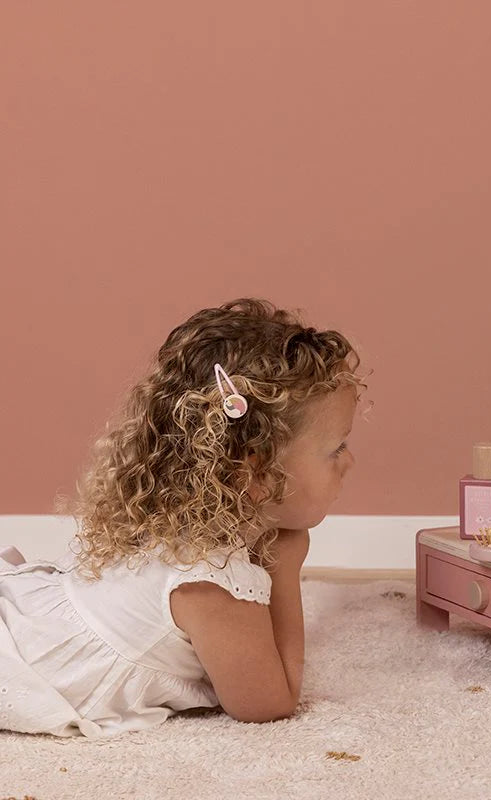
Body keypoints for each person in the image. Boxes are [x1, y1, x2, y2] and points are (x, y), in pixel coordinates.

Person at [0, 298, 368, 738]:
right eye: (335, 450)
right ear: (253, 474)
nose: (349, 462)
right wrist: (285, 569)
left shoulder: (177, 517)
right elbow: (268, 703)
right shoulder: (210, 583)